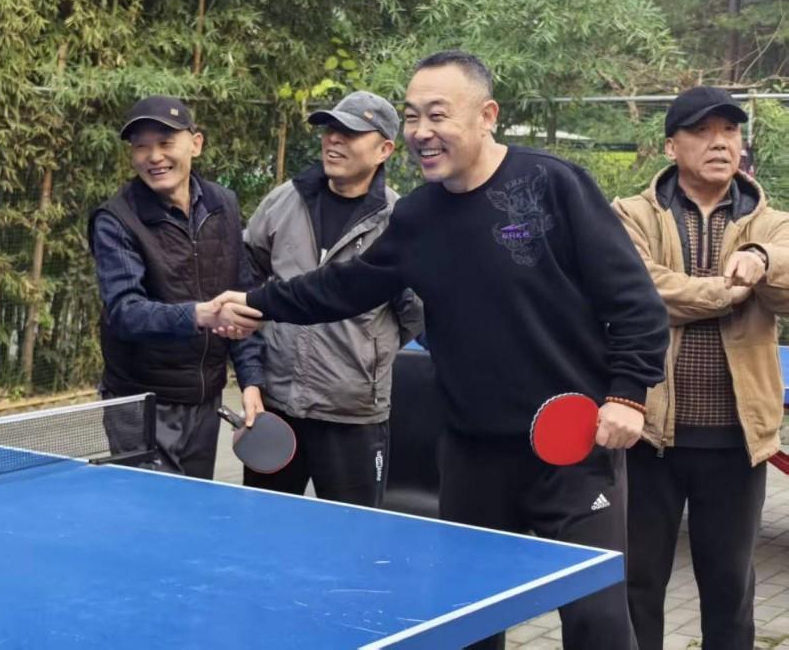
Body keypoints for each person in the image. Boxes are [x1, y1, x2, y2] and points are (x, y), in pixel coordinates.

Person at [214, 50, 669, 649]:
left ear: (487, 115)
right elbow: (344, 286)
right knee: (471, 625)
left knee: (599, 624)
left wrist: (628, 395)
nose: (421, 132)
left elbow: (636, 303)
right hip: (472, 457)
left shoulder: (553, 185)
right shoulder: (417, 216)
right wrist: (256, 303)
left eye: (437, 114)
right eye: (411, 117)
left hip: (573, 449)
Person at [613, 86, 789, 650]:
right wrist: (728, 292)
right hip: (647, 435)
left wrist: (762, 259)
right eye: (702, 131)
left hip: (737, 441)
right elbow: (640, 291)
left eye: (730, 131)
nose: (720, 143)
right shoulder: (631, 215)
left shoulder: (771, 223)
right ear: (671, 146)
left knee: (729, 587)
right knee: (637, 583)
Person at [242, 90, 424, 507]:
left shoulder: (398, 220)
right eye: (330, 129)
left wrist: (368, 354)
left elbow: (415, 313)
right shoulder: (284, 200)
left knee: (353, 537)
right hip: (277, 407)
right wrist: (257, 366)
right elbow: (249, 276)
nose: (334, 139)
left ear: (384, 150)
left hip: (353, 414)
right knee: (262, 528)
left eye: (351, 132)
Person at [87, 95, 265, 480]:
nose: (154, 156)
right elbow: (125, 312)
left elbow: (242, 298)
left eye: (165, 142)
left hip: (205, 401)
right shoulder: (115, 219)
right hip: (142, 403)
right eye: (141, 147)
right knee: (147, 511)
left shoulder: (223, 204)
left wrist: (251, 382)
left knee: (192, 508)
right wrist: (200, 315)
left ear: (195, 144)